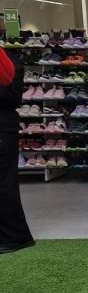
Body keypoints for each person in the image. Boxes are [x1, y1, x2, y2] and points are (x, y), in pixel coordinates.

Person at [0, 47, 34, 254]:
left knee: (3, 183)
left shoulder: (6, 59)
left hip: (2, 127)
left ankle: (15, 236)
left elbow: (12, 95)